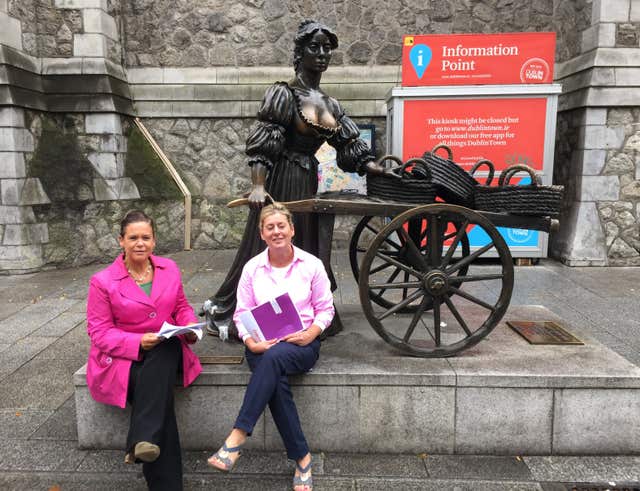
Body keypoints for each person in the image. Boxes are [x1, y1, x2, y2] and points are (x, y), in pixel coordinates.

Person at [206, 19, 394, 338]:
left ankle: (305, 311)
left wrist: (373, 166)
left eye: (326, 48)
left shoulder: (330, 104)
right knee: (269, 244)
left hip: (308, 177)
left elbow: (348, 145)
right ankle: (251, 312)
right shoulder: (284, 94)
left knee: (304, 245)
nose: (321, 53)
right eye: (314, 47)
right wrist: (257, 184)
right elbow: (265, 142)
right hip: (280, 180)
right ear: (299, 52)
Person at [207, 203, 334, 491]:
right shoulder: (252, 268)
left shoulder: (311, 265)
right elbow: (241, 313)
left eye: (281, 226)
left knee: (275, 362)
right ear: (262, 234)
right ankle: (302, 458)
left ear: (292, 229)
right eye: (269, 227)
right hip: (261, 344)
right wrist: (251, 341)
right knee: (275, 376)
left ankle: (238, 436)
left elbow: (325, 309)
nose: (276, 232)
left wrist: (311, 334)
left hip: (301, 343)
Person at [86, 210, 202, 491]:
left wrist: (189, 325)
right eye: (133, 237)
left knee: (167, 346)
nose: (140, 243)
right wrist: (136, 342)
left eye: (146, 237)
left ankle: (141, 438)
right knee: (159, 396)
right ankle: (150, 452)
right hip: (123, 358)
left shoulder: (169, 268)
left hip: (164, 347)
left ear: (154, 241)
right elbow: (98, 332)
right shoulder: (102, 281)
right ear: (121, 241)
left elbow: (181, 307)